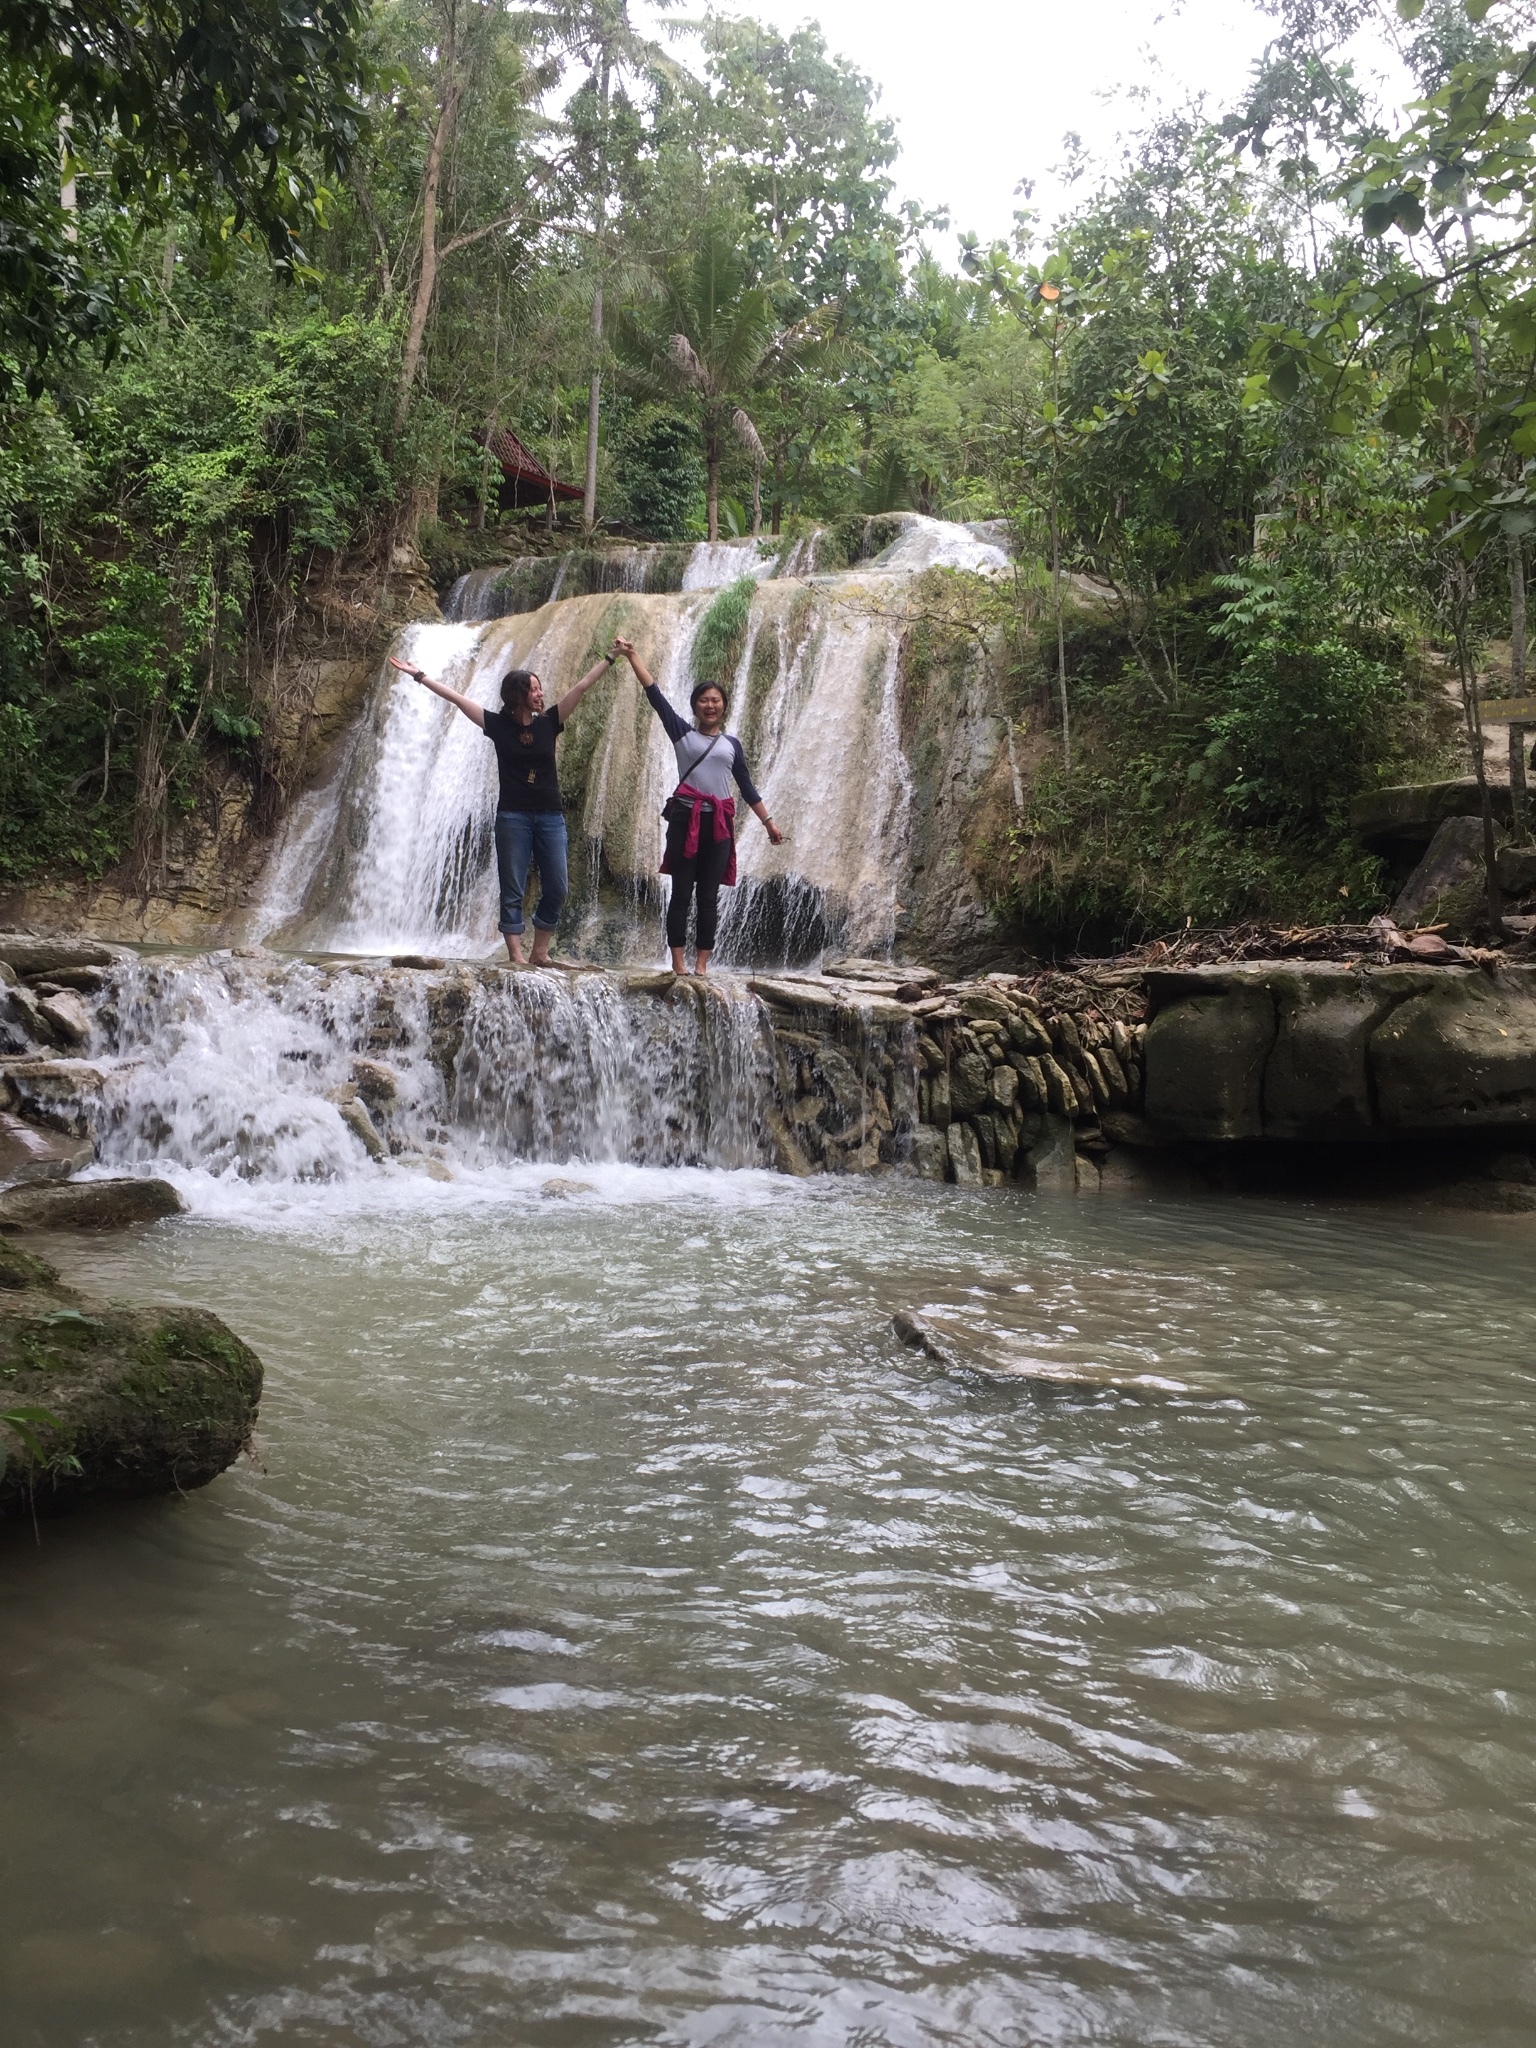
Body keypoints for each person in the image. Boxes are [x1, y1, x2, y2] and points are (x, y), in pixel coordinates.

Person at [387, 648, 615, 964]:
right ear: (517, 695)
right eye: (534, 689)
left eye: (539, 689)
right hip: (513, 817)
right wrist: (419, 675)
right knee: (512, 887)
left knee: (558, 886)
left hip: (551, 815)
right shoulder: (496, 725)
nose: (540, 694)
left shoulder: (549, 721)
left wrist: (611, 657)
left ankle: (540, 952)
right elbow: (456, 698)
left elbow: (582, 686)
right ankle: (517, 955)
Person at [609, 637, 783, 976]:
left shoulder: (732, 744)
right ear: (695, 706)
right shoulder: (682, 734)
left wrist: (769, 823)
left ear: (723, 706)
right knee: (681, 894)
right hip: (685, 819)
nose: (710, 705)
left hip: (717, 826)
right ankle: (678, 962)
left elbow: (746, 786)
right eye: (704, 700)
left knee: (707, 897)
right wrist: (632, 655)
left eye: (716, 700)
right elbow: (655, 695)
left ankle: (702, 964)